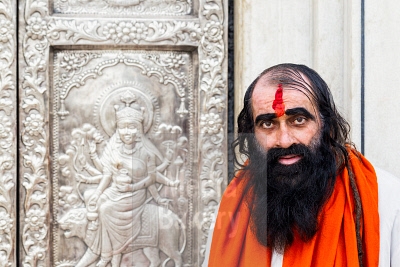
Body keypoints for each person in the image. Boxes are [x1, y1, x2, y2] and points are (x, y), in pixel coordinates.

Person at [203, 63, 400, 267]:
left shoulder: (387, 202)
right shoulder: (234, 206)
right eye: (268, 124)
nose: (284, 140)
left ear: (327, 127)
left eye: (298, 120)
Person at [85, 93, 178, 267]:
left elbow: (151, 179)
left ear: (139, 129)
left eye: (132, 127)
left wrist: (141, 190)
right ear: (117, 129)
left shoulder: (147, 153)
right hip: (116, 191)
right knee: (97, 202)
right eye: (123, 127)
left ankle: (108, 255)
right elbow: (107, 174)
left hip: (135, 195)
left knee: (105, 210)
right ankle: (103, 251)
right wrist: (98, 193)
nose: (127, 132)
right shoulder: (114, 150)